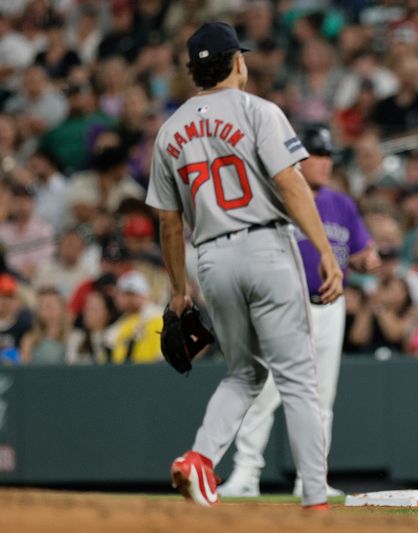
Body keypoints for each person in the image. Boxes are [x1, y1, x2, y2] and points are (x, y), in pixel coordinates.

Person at [145, 22, 342, 509]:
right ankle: (315, 499)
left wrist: (178, 291)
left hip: (211, 257)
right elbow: (293, 183)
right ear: (237, 62)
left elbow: (170, 225)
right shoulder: (259, 110)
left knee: (243, 373)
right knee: (297, 378)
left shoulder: (168, 133)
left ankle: (199, 458)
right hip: (266, 246)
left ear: (194, 71)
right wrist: (323, 249)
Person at [218, 125, 380, 498]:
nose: (324, 163)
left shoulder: (342, 203)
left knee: (322, 398)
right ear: (297, 158)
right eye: (316, 155)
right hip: (283, 309)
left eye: (327, 156)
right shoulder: (276, 198)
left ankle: (312, 478)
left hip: (329, 307)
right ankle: (246, 474)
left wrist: (368, 259)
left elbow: (359, 252)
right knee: (265, 391)